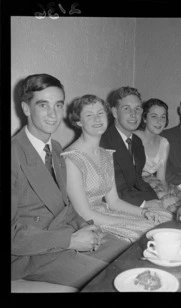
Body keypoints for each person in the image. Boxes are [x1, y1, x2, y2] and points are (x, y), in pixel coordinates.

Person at [11, 74, 129, 290]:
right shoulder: (13, 155)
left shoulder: (55, 149)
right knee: (115, 281)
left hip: (65, 235)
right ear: (26, 109)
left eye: (58, 105)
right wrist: (70, 241)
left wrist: (86, 227)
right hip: (31, 255)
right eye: (43, 105)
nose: (53, 114)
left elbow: (64, 207)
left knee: (132, 255)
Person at [62, 95, 172, 243]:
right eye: (89, 115)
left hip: (107, 212)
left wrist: (144, 212)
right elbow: (84, 213)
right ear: (78, 121)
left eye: (100, 113)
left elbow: (113, 202)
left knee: (164, 218)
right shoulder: (71, 159)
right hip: (87, 223)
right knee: (147, 234)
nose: (97, 119)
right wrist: (132, 223)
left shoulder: (106, 155)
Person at [100, 86, 167, 210]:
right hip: (110, 206)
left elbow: (138, 180)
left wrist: (156, 199)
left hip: (130, 198)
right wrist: (144, 204)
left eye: (137, 109)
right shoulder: (103, 142)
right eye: (126, 108)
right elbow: (111, 192)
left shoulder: (136, 142)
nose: (133, 114)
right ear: (114, 112)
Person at [134, 98, 181, 213]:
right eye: (154, 116)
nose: (159, 121)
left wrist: (165, 194)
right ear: (144, 118)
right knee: (170, 205)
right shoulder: (134, 138)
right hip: (136, 185)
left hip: (155, 184)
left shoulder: (164, 143)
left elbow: (161, 178)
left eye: (163, 117)